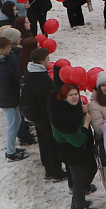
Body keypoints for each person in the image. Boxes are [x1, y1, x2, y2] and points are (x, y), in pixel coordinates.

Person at [48, 82, 99, 209]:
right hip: (74, 153)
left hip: (82, 151)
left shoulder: (71, 108)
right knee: (79, 182)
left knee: (91, 170)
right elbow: (78, 141)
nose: (75, 97)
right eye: (71, 95)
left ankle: (77, 200)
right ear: (64, 97)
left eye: (76, 93)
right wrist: (86, 123)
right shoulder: (62, 118)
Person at [22, 47, 66, 181]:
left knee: (43, 142)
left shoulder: (29, 71)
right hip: (45, 116)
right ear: (42, 62)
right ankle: (56, 172)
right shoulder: (42, 78)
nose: (49, 61)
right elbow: (49, 98)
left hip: (36, 115)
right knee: (51, 144)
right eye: (47, 59)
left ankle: (48, 169)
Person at [0, 37, 26, 162]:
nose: (10, 49)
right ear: (2, 50)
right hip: (8, 101)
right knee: (13, 125)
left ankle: (11, 148)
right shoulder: (1, 69)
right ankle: (10, 152)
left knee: (16, 122)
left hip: (5, 99)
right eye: (8, 48)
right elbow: (6, 89)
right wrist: (17, 95)